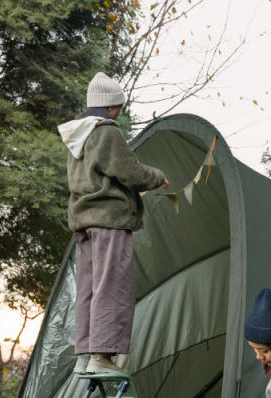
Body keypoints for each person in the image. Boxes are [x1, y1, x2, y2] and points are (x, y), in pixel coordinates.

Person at [57, 72, 168, 375]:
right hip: (108, 221)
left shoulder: (76, 137)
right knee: (112, 286)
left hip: (83, 223)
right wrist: (157, 177)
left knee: (89, 288)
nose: (120, 112)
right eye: (118, 107)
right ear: (109, 107)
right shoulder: (106, 132)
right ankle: (102, 358)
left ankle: (85, 354)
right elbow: (128, 170)